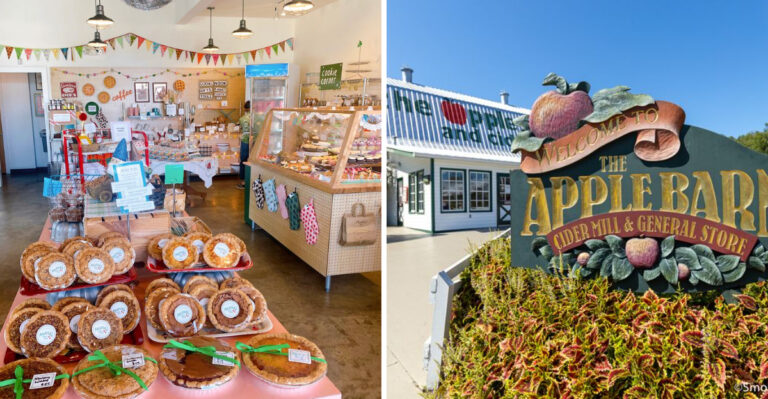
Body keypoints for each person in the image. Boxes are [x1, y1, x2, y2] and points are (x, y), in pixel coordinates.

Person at [236, 101, 251, 189]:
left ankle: (244, 181)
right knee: (252, 161)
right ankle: (252, 180)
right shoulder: (257, 117)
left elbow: (240, 128)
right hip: (255, 141)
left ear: (245, 109)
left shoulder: (242, 119)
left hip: (245, 140)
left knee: (244, 160)